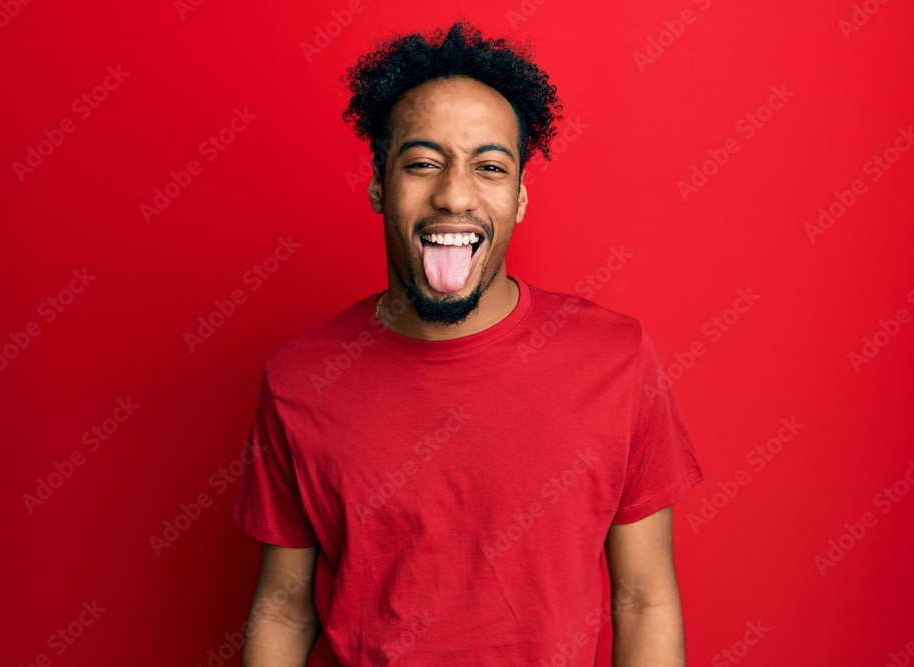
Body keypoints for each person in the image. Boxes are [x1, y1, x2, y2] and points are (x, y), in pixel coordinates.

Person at [230, 21, 703, 666]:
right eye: (423, 164)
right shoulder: (299, 378)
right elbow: (284, 606)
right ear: (378, 184)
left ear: (519, 197)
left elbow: (643, 598)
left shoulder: (615, 359)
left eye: (489, 167)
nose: (454, 194)